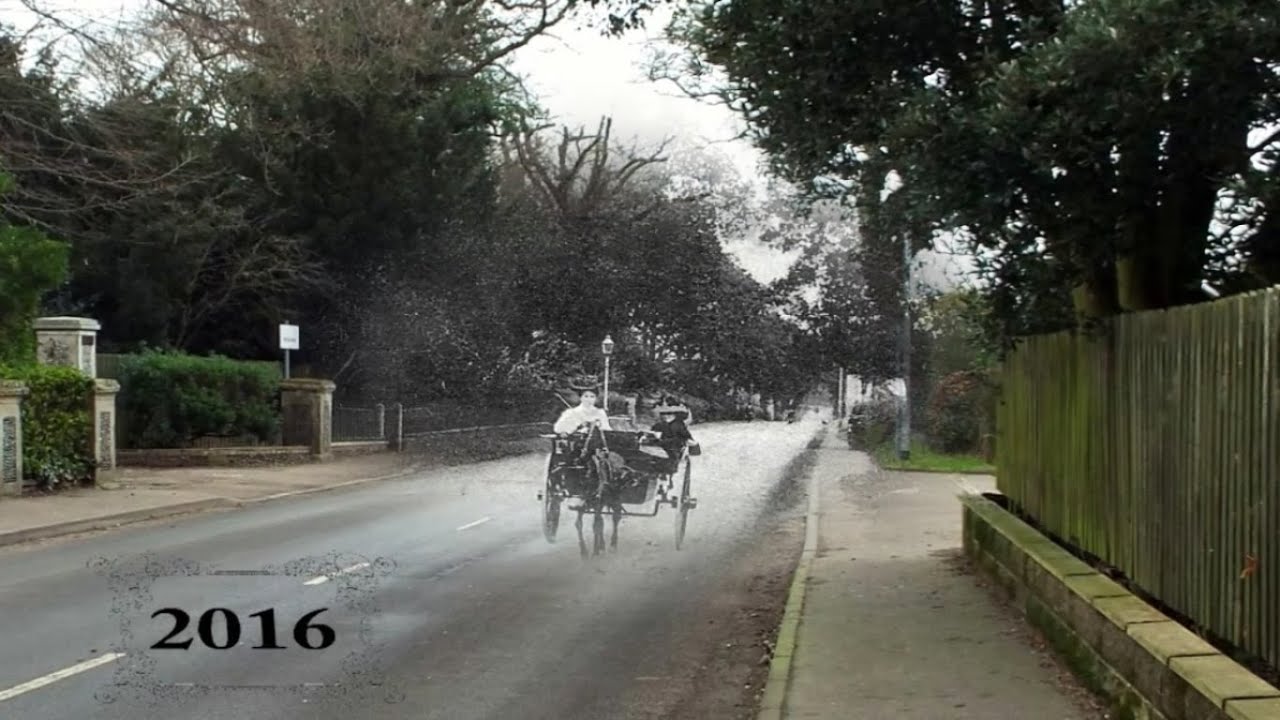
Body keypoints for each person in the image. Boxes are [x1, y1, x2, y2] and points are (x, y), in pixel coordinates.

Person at [650, 401, 695, 470]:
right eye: (664, 414)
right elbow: (654, 433)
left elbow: (685, 435)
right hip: (663, 445)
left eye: (669, 414)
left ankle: (671, 467)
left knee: (673, 454)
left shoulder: (678, 424)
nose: (666, 416)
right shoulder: (659, 425)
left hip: (673, 445)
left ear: (674, 415)